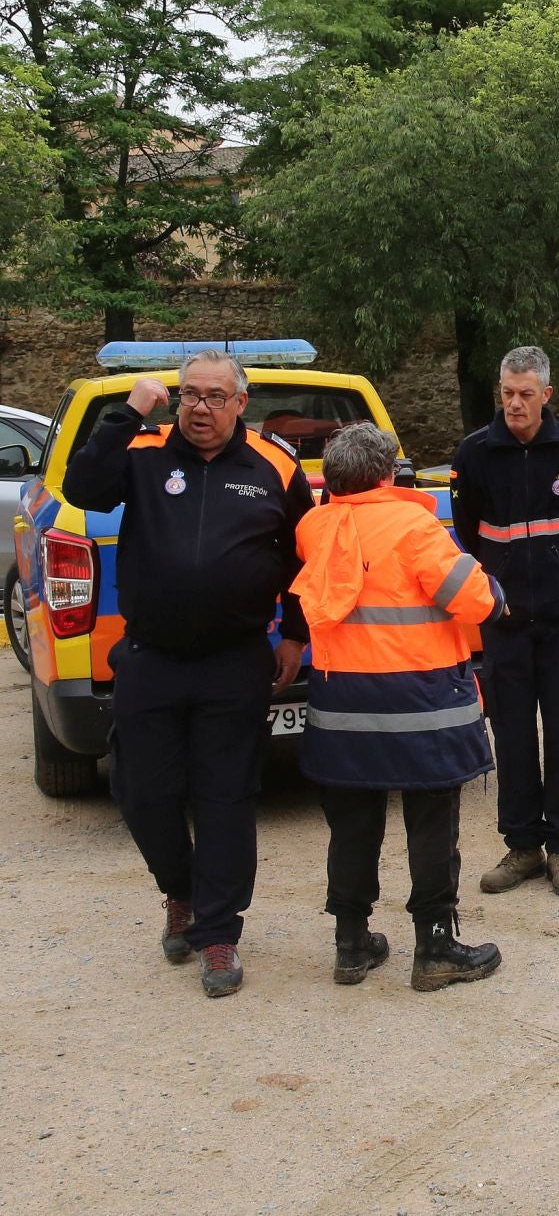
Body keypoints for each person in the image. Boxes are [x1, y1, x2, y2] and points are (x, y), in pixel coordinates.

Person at [63, 350, 312, 997]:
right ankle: (181, 890)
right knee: (140, 789)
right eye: (188, 395)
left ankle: (220, 930)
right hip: (151, 654)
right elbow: (82, 488)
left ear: (239, 404)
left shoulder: (275, 465)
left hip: (235, 658)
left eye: (213, 396)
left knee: (226, 795)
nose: (199, 407)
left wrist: (294, 632)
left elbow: (304, 555)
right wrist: (129, 410)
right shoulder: (141, 450)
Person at [292, 424, 504, 991]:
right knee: (432, 823)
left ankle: (351, 944)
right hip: (422, 704)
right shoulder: (414, 526)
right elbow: (475, 600)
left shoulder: (314, 528)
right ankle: (435, 947)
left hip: (342, 709)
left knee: (352, 824)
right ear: (388, 473)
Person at [451, 346, 559, 897]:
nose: (515, 403)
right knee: (512, 734)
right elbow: (469, 532)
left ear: (547, 395)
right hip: (504, 620)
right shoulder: (474, 454)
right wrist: (500, 591)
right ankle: (522, 847)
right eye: (507, 393)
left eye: (525, 394)